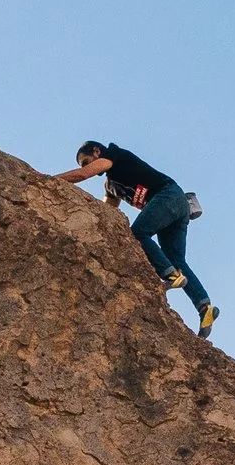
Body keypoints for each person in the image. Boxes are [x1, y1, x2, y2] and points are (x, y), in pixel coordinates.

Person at [54, 140, 219, 338]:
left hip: (169, 195)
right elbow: (107, 211)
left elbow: (82, 174)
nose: (86, 167)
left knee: (138, 233)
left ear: (97, 151)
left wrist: (48, 180)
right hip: (174, 205)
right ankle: (204, 307)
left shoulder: (114, 154)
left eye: (86, 161)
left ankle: (170, 276)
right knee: (176, 259)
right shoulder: (111, 186)